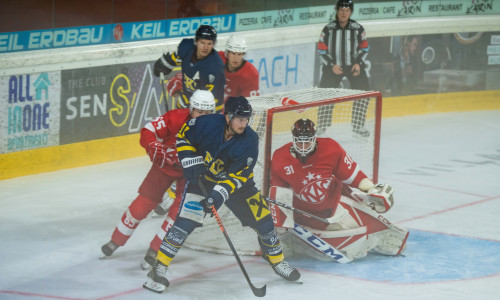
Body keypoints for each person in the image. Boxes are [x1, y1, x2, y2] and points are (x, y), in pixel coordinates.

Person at [143, 96, 301, 293]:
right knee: (184, 223)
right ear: (228, 117)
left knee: (265, 221)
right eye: (240, 119)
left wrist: (218, 195)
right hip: (203, 181)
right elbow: (183, 137)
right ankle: (159, 267)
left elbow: (238, 177)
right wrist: (189, 159)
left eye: (246, 119)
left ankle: (278, 263)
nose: (244, 123)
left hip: (240, 187)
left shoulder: (250, 140)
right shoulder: (205, 123)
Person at [100, 90, 216, 267]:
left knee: (179, 213)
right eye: (200, 112)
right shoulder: (175, 118)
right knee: (142, 205)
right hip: (164, 167)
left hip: (190, 174)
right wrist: (152, 144)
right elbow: (148, 130)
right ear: (191, 109)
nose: (203, 117)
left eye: (208, 113)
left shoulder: (216, 130)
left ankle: (157, 249)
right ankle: (116, 240)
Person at [269, 119, 408, 262]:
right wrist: (282, 232)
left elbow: (353, 176)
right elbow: (279, 198)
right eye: (299, 142)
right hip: (306, 214)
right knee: (346, 245)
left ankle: (380, 241)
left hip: (334, 202)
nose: (303, 146)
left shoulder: (330, 148)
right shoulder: (280, 159)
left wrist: (372, 189)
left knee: (366, 227)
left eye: (308, 141)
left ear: (315, 138)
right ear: (293, 139)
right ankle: (293, 242)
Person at [154, 34, 261, 217]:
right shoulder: (215, 58)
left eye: (240, 54)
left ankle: (213, 194)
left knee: (213, 164)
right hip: (206, 114)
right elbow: (191, 61)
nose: (235, 57)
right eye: (232, 53)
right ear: (226, 52)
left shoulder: (250, 74)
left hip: (226, 124)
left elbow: (250, 106)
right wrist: (174, 68)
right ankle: (173, 195)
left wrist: (248, 132)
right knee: (187, 154)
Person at [317, 0, 370, 137]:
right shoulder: (328, 29)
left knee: (363, 93)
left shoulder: (358, 28)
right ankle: (322, 126)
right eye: (341, 10)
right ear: (337, 11)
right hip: (333, 66)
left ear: (350, 12)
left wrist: (358, 63)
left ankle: (358, 126)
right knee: (325, 94)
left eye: (347, 10)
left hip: (353, 66)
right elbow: (321, 50)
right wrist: (331, 65)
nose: (344, 13)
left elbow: (364, 48)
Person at [153, 24, 225, 112]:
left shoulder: (215, 68)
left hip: (201, 111)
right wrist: (163, 65)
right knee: (177, 124)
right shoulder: (186, 47)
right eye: (202, 42)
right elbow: (171, 60)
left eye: (209, 43)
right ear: (196, 41)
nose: (205, 47)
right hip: (184, 101)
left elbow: (214, 103)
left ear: (213, 44)